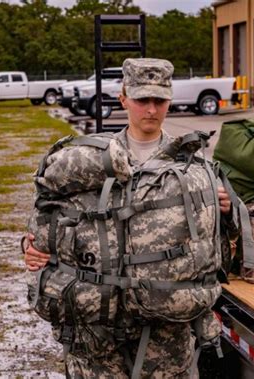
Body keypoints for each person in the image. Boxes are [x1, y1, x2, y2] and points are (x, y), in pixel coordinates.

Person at [23, 58, 234, 378]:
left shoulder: (192, 165)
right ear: (123, 98)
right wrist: (29, 245)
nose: (151, 109)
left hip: (165, 334)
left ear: (169, 100)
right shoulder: (90, 160)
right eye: (141, 100)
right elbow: (46, 213)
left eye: (159, 100)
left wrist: (226, 211)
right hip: (97, 332)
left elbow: (214, 244)